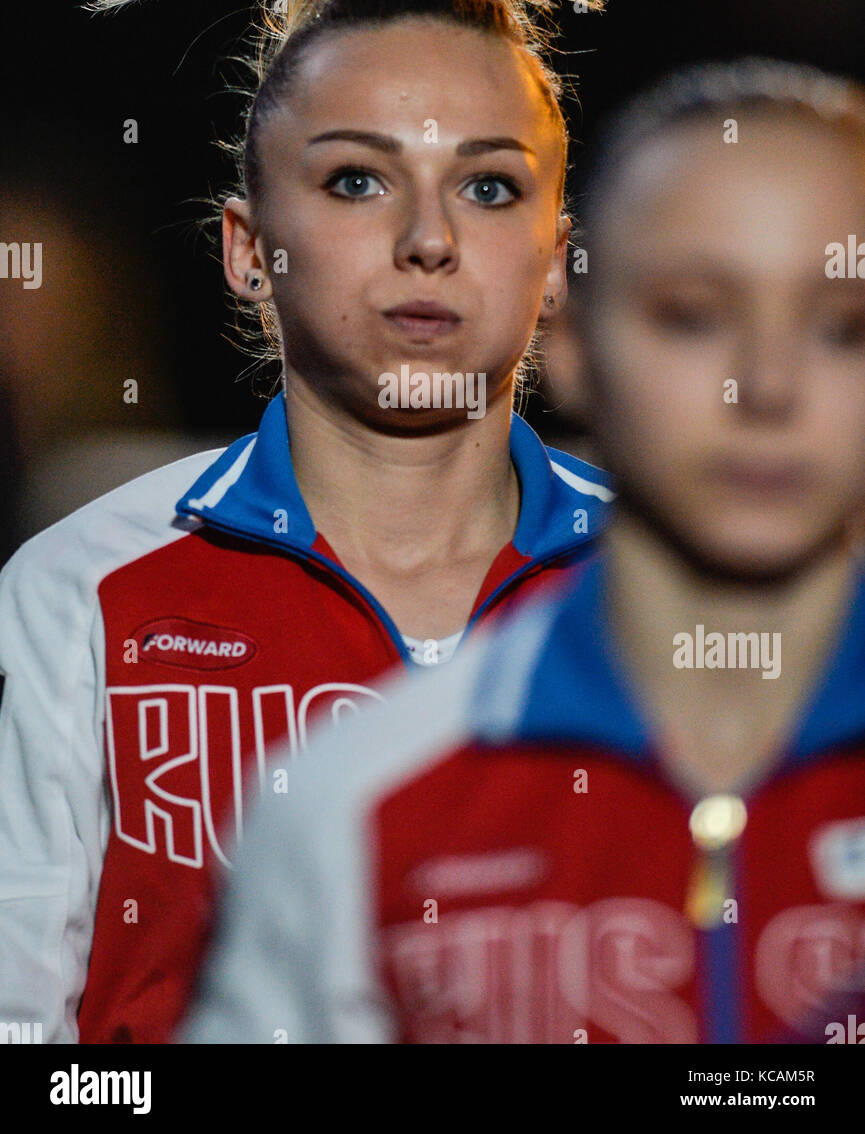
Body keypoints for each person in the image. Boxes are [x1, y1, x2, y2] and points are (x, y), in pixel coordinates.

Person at [0, 0, 613, 1043]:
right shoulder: (80, 591)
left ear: (554, 262)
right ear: (246, 250)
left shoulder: (683, 587)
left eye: (488, 185)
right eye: (355, 179)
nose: (427, 238)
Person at [181, 58, 865, 1044]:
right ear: (574, 342)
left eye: (842, 327)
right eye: (691, 314)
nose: (763, 388)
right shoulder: (356, 802)